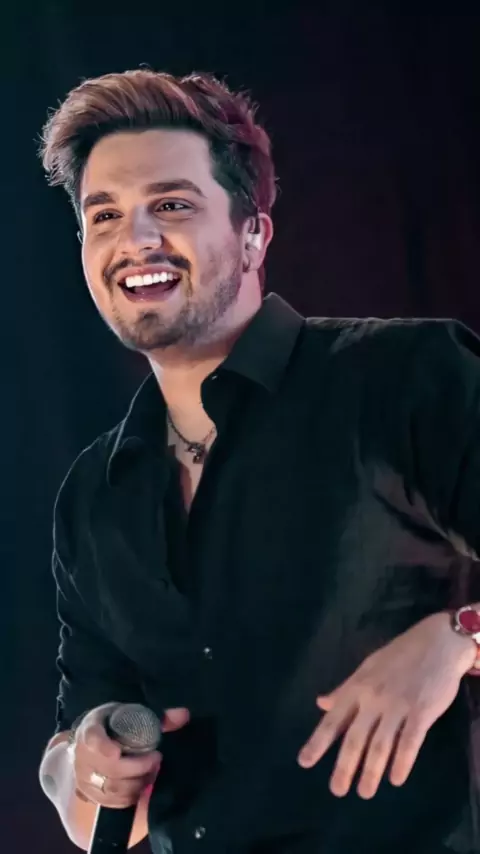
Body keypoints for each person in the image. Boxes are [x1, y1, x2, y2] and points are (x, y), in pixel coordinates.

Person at [37, 68, 480, 854]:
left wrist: (457, 637)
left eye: (172, 205)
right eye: (103, 215)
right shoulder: (93, 497)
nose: (136, 239)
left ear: (254, 235)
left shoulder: (405, 380)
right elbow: (87, 803)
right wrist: (85, 763)